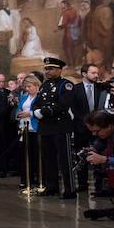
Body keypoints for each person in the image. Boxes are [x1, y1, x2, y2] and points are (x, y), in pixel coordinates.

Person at [32, 57, 76, 199]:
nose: (47, 71)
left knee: (65, 160)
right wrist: (35, 111)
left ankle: (69, 189)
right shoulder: (44, 85)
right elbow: (37, 102)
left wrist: (43, 112)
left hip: (60, 126)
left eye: (50, 69)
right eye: (46, 69)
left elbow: (63, 105)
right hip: (45, 127)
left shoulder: (66, 85)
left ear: (59, 70)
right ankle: (51, 187)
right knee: (48, 159)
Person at [83, 111, 114, 220]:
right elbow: (102, 140)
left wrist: (105, 159)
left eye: (97, 131)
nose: (94, 134)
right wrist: (94, 148)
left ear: (109, 126)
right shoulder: (111, 127)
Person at [72, 63, 108, 194]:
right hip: (81, 128)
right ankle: (82, 184)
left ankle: (100, 186)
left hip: (100, 128)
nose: (96, 75)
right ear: (84, 74)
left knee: (99, 153)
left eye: (97, 73)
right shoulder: (75, 89)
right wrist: (87, 123)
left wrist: (96, 123)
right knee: (81, 155)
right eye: (93, 73)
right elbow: (74, 108)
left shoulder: (101, 88)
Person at [15, 74, 41, 189]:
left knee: (37, 156)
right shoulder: (24, 97)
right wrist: (19, 114)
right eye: (26, 87)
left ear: (36, 85)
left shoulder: (40, 97)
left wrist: (29, 113)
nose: (27, 89)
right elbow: (18, 110)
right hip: (24, 129)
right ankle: (26, 179)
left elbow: (40, 112)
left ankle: (39, 179)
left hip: (36, 129)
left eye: (29, 86)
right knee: (25, 156)